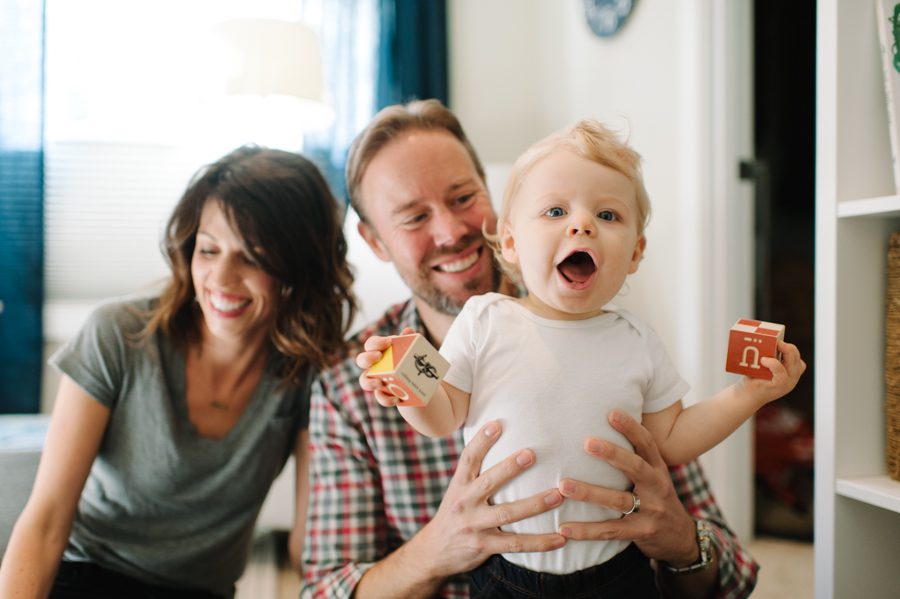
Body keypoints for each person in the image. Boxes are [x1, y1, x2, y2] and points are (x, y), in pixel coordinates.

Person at [301, 99, 762, 599]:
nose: (451, 231)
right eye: (414, 216)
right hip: (506, 580)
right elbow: (325, 590)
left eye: (462, 198)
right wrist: (405, 383)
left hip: (617, 573)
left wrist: (679, 535)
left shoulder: (632, 340)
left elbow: (731, 570)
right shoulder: (458, 333)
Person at [0, 146, 356, 599]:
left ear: (298, 267)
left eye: (252, 256)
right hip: (87, 576)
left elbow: (307, 547)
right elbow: (47, 520)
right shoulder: (117, 334)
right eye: (208, 250)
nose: (221, 278)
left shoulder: (309, 375)